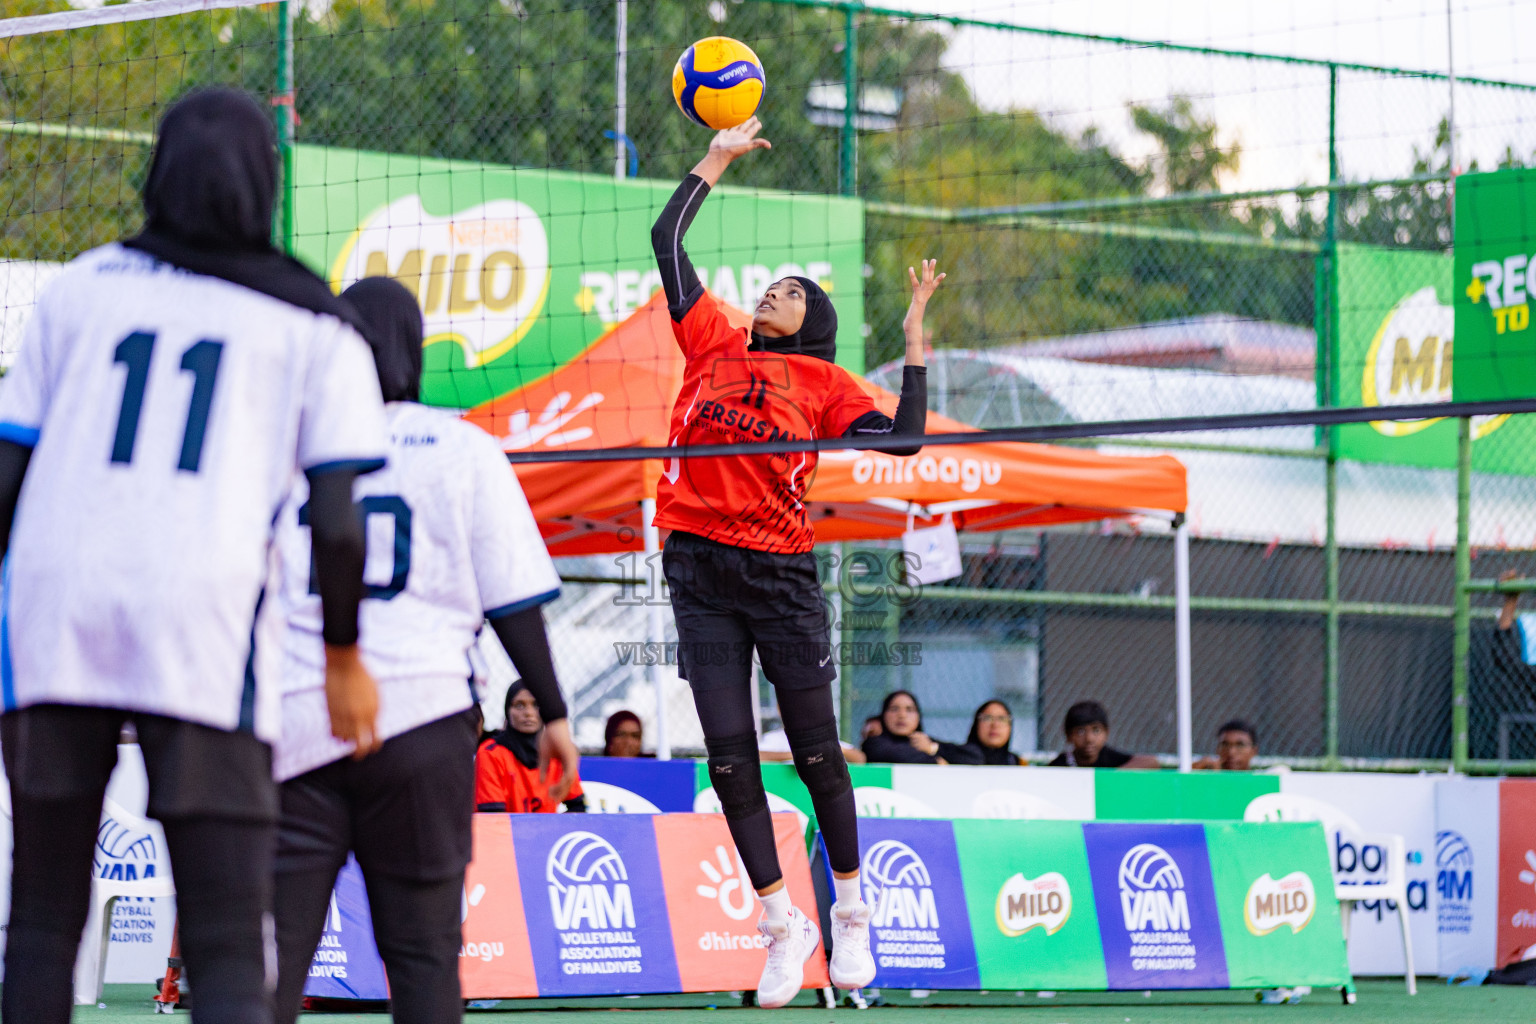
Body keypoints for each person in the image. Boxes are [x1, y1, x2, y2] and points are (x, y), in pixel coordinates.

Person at [0, 88, 389, 1024]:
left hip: (55, 607)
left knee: (45, 912)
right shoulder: (317, 324)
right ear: (267, 181)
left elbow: (8, 473)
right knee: (222, 931)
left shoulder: (81, 287)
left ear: (155, 170)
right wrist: (343, 657)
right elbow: (338, 522)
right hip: (204, 615)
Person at [650, 116, 940, 1006]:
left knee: (816, 753)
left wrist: (916, 339)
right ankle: (782, 924)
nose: (773, 293)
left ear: (813, 321)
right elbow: (666, 238)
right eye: (770, 287)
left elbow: (906, 445)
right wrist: (717, 157)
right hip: (697, 566)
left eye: (790, 291)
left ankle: (850, 911)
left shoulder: (823, 383)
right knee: (728, 759)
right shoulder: (712, 337)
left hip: (778, 574)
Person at [268, 276, 579, 1024]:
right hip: (423, 716)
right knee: (424, 952)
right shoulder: (465, 447)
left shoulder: (284, 442)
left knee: (270, 956)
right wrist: (558, 713)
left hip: (298, 716)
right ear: (414, 347)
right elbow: (513, 601)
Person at [476, 681, 587, 813]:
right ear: (507, 710)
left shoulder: (557, 752)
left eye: (536, 705)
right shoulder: (490, 753)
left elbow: (578, 806)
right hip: (506, 832)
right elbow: (492, 816)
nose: (528, 712)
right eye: (519, 705)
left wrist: (554, 829)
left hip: (547, 833)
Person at [861, 690, 979, 765]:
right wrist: (936, 761)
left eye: (909, 710)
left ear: (918, 717)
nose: (902, 715)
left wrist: (934, 749)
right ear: (884, 715)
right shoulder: (875, 743)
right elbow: (894, 755)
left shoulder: (925, 743)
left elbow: (974, 757)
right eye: (894, 709)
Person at [1047, 700, 1159, 769]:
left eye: (1096, 730)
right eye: (1080, 731)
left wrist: (1110, 778)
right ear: (1068, 736)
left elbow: (1151, 762)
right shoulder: (1060, 765)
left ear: (1107, 733)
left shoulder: (1109, 757)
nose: (1089, 739)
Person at [962, 700, 1026, 766]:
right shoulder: (955, 758)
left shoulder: (1018, 764)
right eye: (987, 718)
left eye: (1002, 719)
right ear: (976, 724)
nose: (995, 725)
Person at [1194, 720, 1259, 771]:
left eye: (1240, 745)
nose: (1231, 752)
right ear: (1217, 749)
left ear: (1254, 751)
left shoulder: (1262, 782)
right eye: (1225, 745)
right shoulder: (1205, 777)